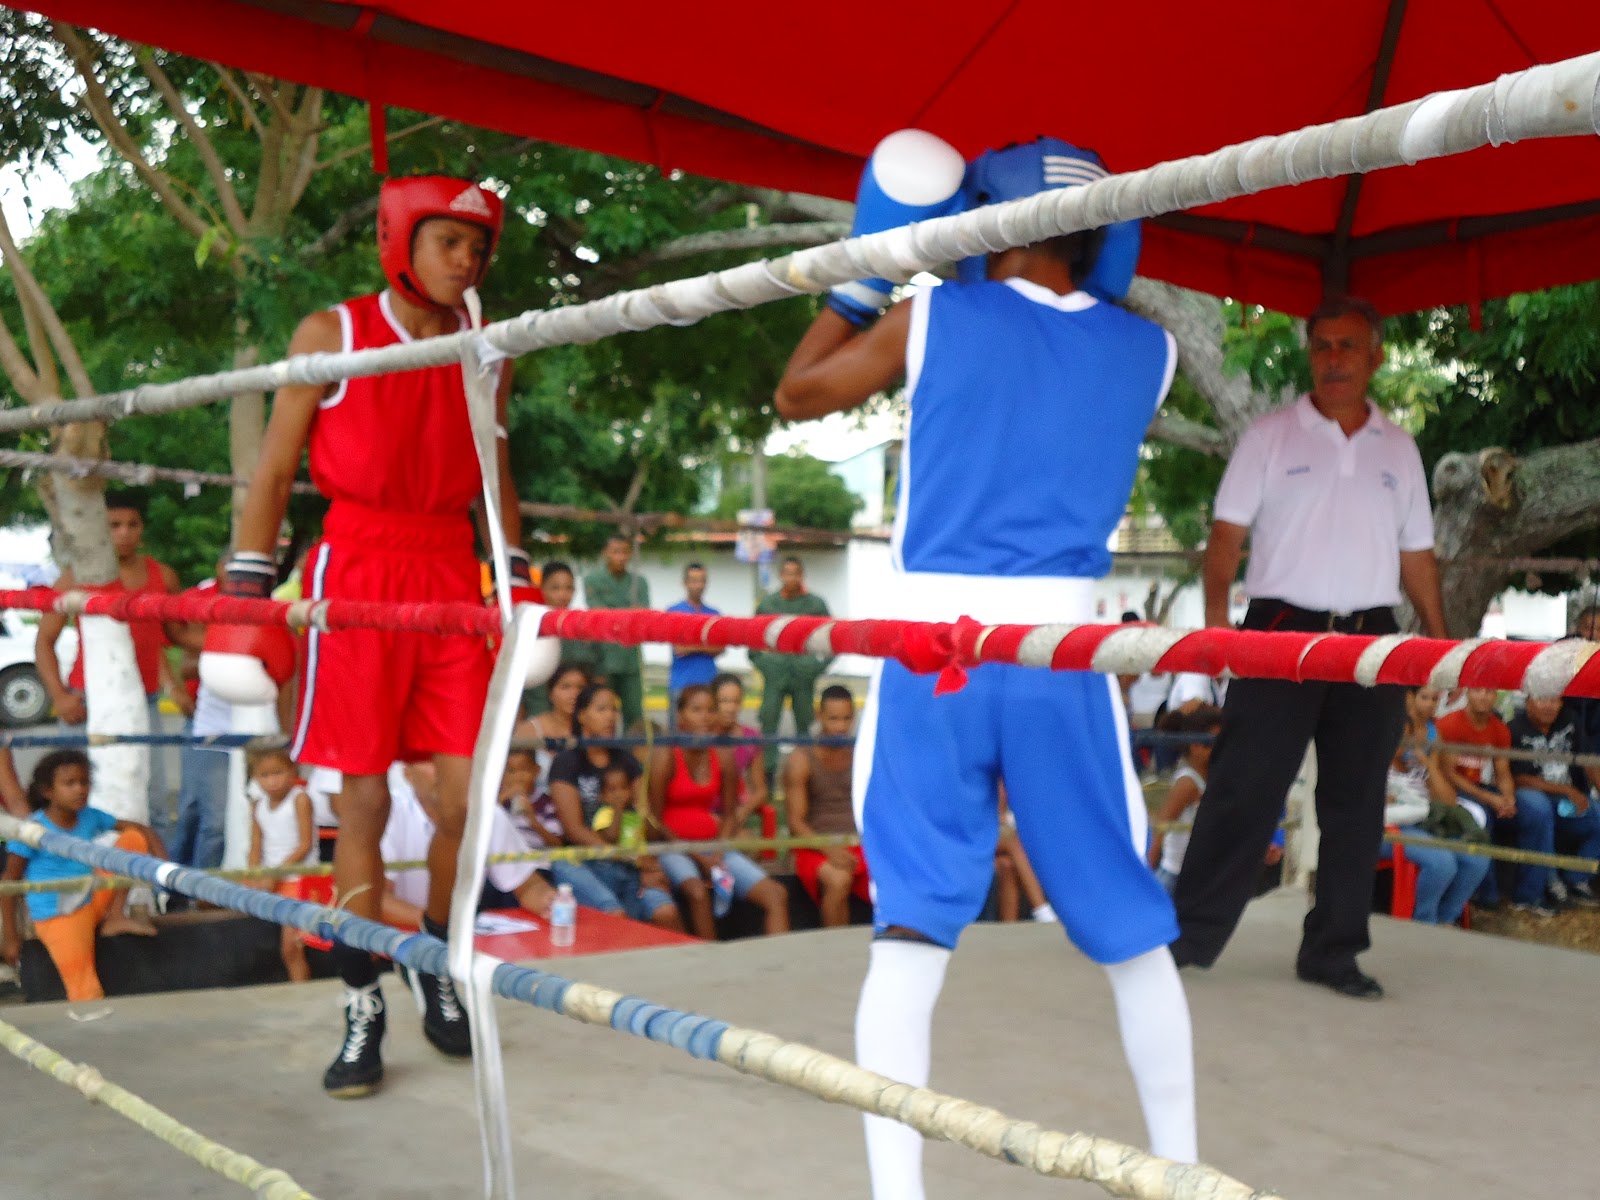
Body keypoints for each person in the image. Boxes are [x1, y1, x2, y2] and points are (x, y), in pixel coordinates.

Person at [775, 132, 1197, 1188]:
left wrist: (867, 274)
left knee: (912, 927)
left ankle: (895, 1193)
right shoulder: (1148, 352)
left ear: (986, 218)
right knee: (1129, 924)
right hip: (1065, 652)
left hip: (936, 653)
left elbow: (798, 394)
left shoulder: (935, 317)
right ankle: (1185, 1172)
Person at [229, 175, 523, 1097]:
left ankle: (432, 954)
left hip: (449, 572)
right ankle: (361, 999)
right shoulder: (334, 333)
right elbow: (275, 471)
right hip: (355, 567)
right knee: (357, 804)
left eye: (478, 249)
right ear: (401, 241)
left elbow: (493, 473)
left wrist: (512, 574)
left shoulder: (487, 349)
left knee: (465, 801)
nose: (467, 262)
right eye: (450, 244)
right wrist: (247, 584)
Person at [1170, 295, 1449, 1000]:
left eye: (1348, 346)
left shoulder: (1401, 449)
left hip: (1372, 640)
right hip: (1279, 629)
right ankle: (1187, 939)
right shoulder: (1269, 436)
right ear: (1309, 355)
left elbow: (1417, 553)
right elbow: (1226, 540)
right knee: (1242, 788)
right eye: (1322, 346)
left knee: (1356, 803)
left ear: (1377, 356)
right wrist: (1214, 636)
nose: (1333, 359)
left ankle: (1333, 951)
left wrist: (1439, 645)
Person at [35, 490, 197, 844]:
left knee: (152, 799)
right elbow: (43, 642)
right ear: (100, 529)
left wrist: (246, 639)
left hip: (145, 701)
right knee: (75, 801)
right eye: (115, 525)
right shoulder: (74, 576)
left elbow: (179, 635)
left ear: (142, 529)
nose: (124, 533)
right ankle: (78, 887)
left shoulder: (161, 575)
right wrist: (60, 697)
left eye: (132, 524)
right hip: (84, 702)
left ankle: (155, 891)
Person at [0, 750, 161, 1003]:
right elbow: (9, 882)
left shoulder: (90, 816)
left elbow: (139, 829)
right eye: (70, 784)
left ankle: (116, 917)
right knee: (85, 989)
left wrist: (164, 864)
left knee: (133, 840)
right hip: (59, 915)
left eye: (84, 782)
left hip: (91, 896)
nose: (80, 790)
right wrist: (11, 937)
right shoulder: (32, 829)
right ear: (48, 792)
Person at [648, 685, 790, 938]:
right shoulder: (666, 755)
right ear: (680, 717)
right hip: (671, 847)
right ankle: (710, 961)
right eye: (696, 710)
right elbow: (653, 821)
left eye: (710, 710)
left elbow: (729, 812)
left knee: (776, 894)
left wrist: (719, 850)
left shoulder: (723, 755)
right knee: (697, 892)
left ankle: (780, 965)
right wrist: (698, 857)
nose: (705, 716)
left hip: (714, 847)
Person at [547, 685, 683, 932]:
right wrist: (624, 856)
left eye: (614, 710)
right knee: (614, 913)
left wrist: (647, 860)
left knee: (665, 912)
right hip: (582, 861)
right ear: (581, 716)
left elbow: (646, 819)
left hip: (629, 861)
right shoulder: (566, 762)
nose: (611, 716)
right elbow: (575, 830)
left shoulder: (627, 761)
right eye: (601, 709)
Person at [380, 760, 554, 929]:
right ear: (408, 774)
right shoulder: (388, 814)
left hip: (458, 935)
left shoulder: (488, 814)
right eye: (431, 760)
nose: (443, 768)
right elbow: (376, 899)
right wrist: (434, 925)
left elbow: (527, 885)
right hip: (397, 939)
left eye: (449, 760)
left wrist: (548, 900)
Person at [1383, 686, 1490, 926]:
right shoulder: (1378, 764)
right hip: (1391, 830)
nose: (1412, 741)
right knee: (1442, 862)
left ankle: (1445, 920)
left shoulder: (1418, 765)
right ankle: (1424, 923)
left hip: (1424, 824)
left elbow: (1448, 802)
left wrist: (1430, 765)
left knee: (1477, 859)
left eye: (1416, 735)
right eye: (1404, 736)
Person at [1435, 689, 1534, 911]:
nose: (1484, 697)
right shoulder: (1450, 724)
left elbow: (1503, 772)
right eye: (1478, 691)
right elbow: (1449, 774)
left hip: (1478, 786)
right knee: (1483, 816)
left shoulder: (1499, 729)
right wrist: (1490, 798)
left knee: (1532, 812)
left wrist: (1508, 798)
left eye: (1490, 692)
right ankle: (1486, 894)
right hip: (1451, 788)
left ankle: (1530, 893)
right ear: (1468, 693)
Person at [1507, 694, 1600, 908]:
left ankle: (1576, 879)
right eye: (1542, 699)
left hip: (1566, 801)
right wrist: (1566, 789)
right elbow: (1519, 778)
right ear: (1528, 702)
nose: (1549, 705)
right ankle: (1547, 883)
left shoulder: (1570, 719)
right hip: (1531, 799)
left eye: (1554, 700)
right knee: (1539, 811)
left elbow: (1588, 761)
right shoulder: (1514, 728)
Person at [786, 685, 868, 927]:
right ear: (819, 715)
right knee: (839, 880)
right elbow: (795, 823)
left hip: (858, 842)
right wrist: (831, 850)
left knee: (903, 878)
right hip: (814, 845)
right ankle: (834, 954)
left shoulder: (861, 753)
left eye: (846, 719)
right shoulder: (801, 759)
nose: (840, 727)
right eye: (833, 719)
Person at [752, 557, 831, 774]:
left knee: (806, 728)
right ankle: (767, 776)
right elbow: (752, 641)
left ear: (802, 575)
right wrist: (766, 664)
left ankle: (806, 776)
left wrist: (815, 666)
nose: (791, 578)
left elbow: (832, 639)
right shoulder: (768, 604)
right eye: (787, 573)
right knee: (768, 726)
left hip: (802, 675)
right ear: (781, 575)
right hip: (775, 675)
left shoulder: (815, 604)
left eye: (796, 573)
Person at [246, 746, 315, 983]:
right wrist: (254, 875)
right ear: (255, 778)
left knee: (291, 948)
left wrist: (275, 875)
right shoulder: (258, 806)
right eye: (265, 776)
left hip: (299, 879)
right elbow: (255, 846)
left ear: (292, 770)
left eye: (278, 773)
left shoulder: (300, 799)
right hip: (273, 878)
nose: (272, 781)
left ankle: (301, 993)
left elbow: (305, 845)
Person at [1148, 707, 1225, 895]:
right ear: (1195, 746)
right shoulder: (1188, 782)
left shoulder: (1209, 779)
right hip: (1175, 875)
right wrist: (1146, 873)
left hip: (1195, 875)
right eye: (1210, 744)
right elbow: (1162, 826)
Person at [581, 535, 649, 731]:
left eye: (625, 552)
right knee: (602, 714)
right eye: (615, 552)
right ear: (605, 553)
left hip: (631, 659)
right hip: (603, 658)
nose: (621, 557)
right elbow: (598, 616)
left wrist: (615, 614)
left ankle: (634, 758)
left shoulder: (639, 582)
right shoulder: (593, 580)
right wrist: (629, 615)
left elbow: (643, 617)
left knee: (634, 715)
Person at [522, 564, 598, 717]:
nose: (563, 595)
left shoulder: (580, 625)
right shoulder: (531, 625)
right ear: (542, 588)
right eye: (555, 588)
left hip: (577, 710)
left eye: (569, 588)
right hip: (539, 710)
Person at [710, 672, 770, 830]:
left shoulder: (751, 739)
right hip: (702, 814)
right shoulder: (701, 736)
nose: (731, 708)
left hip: (733, 816)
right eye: (724, 701)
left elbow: (761, 790)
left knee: (750, 847)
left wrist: (742, 812)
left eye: (736, 701)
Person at [665, 562, 721, 725]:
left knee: (708, 734)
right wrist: (706, 645)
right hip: (680, 684)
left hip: (709, 682)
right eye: (694, 580)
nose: (698, 585)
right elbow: (680, 648)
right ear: (685, 583)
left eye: (702, 580)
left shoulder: (714, 615)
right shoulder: (674, 612)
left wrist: (693, 645)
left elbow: (720, 648)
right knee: (677, 738)